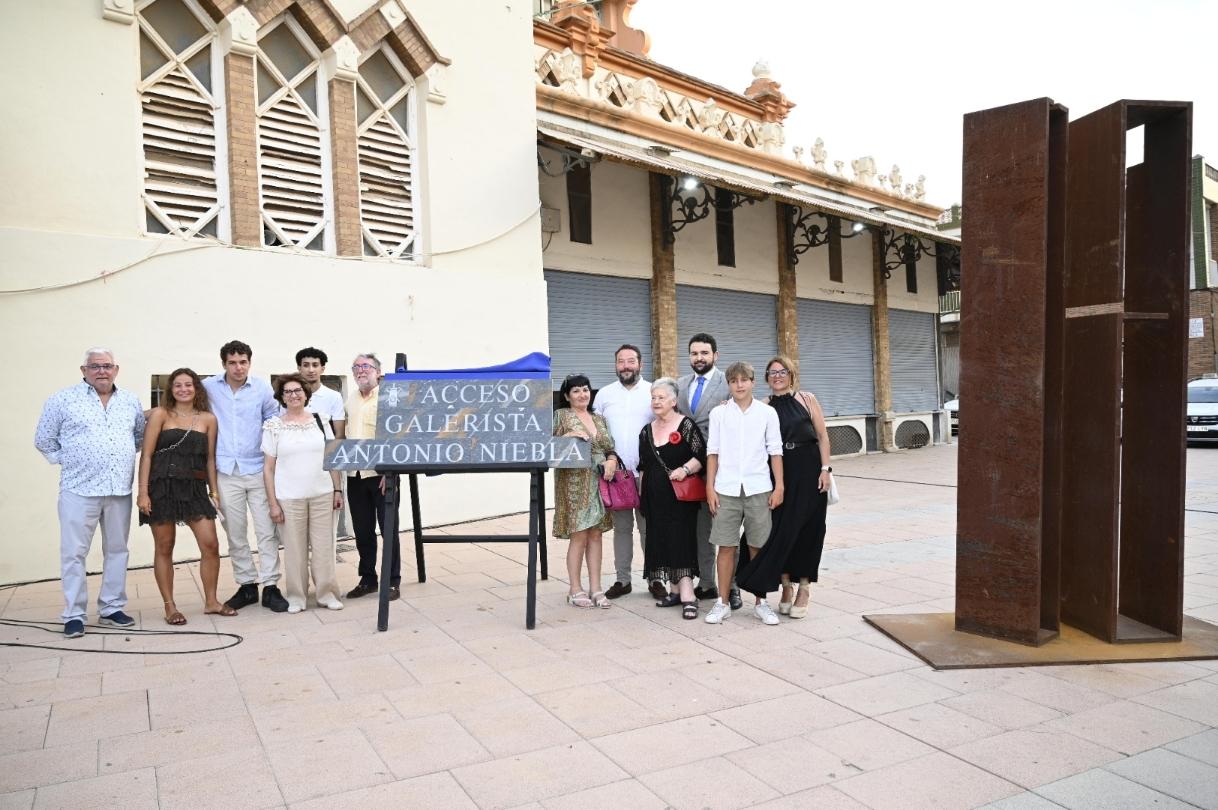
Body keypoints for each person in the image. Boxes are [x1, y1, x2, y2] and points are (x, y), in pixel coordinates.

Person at [35, 348, 146, 638]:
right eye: (95, 366)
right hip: (78, 490)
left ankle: (111, 607)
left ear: (116, 370)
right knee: (74, 553)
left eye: (107, 366)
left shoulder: (130, 401)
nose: (102, 371)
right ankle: (74, 614)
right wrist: (71, 460)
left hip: (118, 489)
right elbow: (44, 440)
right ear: (83, 370)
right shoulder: (62, 400)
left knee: (117, 550)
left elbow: (138, 437)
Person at [136, 368, 235, 624]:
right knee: (165, 547)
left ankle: (212, 601)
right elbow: (146, 455)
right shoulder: (160, 414)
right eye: (177, 385)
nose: (183, 389)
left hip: (194, 489)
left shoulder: (208, 419)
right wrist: (143, 492)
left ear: (196, 388)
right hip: (162, 487)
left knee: (211, 545)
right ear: (171, 389)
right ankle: (170, 607)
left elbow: (210, 459)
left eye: (188, 385)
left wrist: (214, 492)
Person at [737, 357, 832, 619]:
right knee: (778, 530)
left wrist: (826, 470)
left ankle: (804, 587)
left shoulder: (806, 399)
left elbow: (822, 437)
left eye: (782, 372)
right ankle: (785, 586)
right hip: (777, 473)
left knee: (809, 529)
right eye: (772, 372)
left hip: (809, 469)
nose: (777, 376)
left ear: (791, 375)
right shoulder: (762, 406)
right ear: (766, 378)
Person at [202, 340, 287, 612]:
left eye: (243, 362)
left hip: (258, 469)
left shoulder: (262, 387)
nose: (238, 368)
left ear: (249, 362)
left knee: (266, 531)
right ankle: (247, 585)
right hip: (226, 471)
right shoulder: (209, 387)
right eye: (232, 362)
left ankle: (271, 586)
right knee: (235, 532)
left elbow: (273, 420)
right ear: (224, 364)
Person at [704, 361, 784, 625]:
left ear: (753, 382)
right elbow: (712, 452)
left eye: (744, 380)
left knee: (758, 546)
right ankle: (723, 602)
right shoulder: (719, 414)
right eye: (734, 381)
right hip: (725, 489)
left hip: (759, 488)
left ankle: (762, 603)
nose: (739, 385)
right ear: (729, 384)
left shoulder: (766, 413)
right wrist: (710, 487)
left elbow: (775, 451)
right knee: (726, 546)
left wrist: (779, 486)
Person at [262, 374, 345, 613]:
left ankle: (326, 593)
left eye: (298, 390)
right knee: (294, 550)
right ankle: (297, 596)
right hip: (289, 497)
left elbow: (332, 458)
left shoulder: (320, 420)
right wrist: (273, 503)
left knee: (324, 547)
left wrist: (337, 489)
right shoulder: (274, 426)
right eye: (287, 392)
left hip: (322, 493)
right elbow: (268, 469)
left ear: (306, 394)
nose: (293, 395)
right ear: (281, 397)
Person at [637, 377, 706, 620]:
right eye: (653, 397)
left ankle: (689, 595)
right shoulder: (646, 430)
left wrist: (685, 469)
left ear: (674, 401)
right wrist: (642, 496)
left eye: (661, 397)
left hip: (680, 498)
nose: (656, 401)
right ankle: (674, 591)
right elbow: (643, 465)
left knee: (681, 540)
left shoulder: (685, 425)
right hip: (655, 498)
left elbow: (702, 455)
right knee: (662, 540)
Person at [676, 332, 736, 606]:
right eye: (694, 353)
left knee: (725, 529)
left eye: (704, 353)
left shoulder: (729, 383)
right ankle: (708, 583)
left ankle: (732, 587)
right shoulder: (680, 384)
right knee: (700, 530)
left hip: (722, 466)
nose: (699, 358)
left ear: (715, 355)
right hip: (690, 467)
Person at [592, 344, 654, 600]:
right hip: (616, 476)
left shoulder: (653, 392)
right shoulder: (604, 395)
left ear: (640, 363)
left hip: (647, 474)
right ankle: (623, 579)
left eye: (631, 361)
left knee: (649, 529)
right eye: (621, 361)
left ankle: (655, 579)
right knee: (622, 529)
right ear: (615, 365)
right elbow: (596, 434)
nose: (626, 366)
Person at [553, 374, 619, 608]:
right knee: (579, 534)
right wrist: (566, 436)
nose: (582, 395)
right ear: (567, 396)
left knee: (596, 534)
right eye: (576, 391)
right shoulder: (560, 416)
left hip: (600, 481)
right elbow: (546, 445)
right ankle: (574, 588)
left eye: (585, 390)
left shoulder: (599, 418)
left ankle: (596, 588)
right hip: (574, 483)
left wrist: (612, 459)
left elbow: (610, 447)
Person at [345, 353, 401, 600]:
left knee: (388, 529)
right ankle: (368, 579)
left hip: (381, 474)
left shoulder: (390, 398)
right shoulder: (351, 400)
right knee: (362, 531)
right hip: (355, 474)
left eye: (365, 366)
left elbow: (398, 436)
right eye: (356, 367)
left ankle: (392, 581)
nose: (360, 370)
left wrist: (391, 471)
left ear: (378, 371)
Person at [293, 347, 346, 438]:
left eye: (315, 365)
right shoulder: (291, 395)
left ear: (322, 369)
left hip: (325, 450)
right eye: (306, 365)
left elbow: (339, 435)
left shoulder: (334, 396)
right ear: (299, 368)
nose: (311, 370)